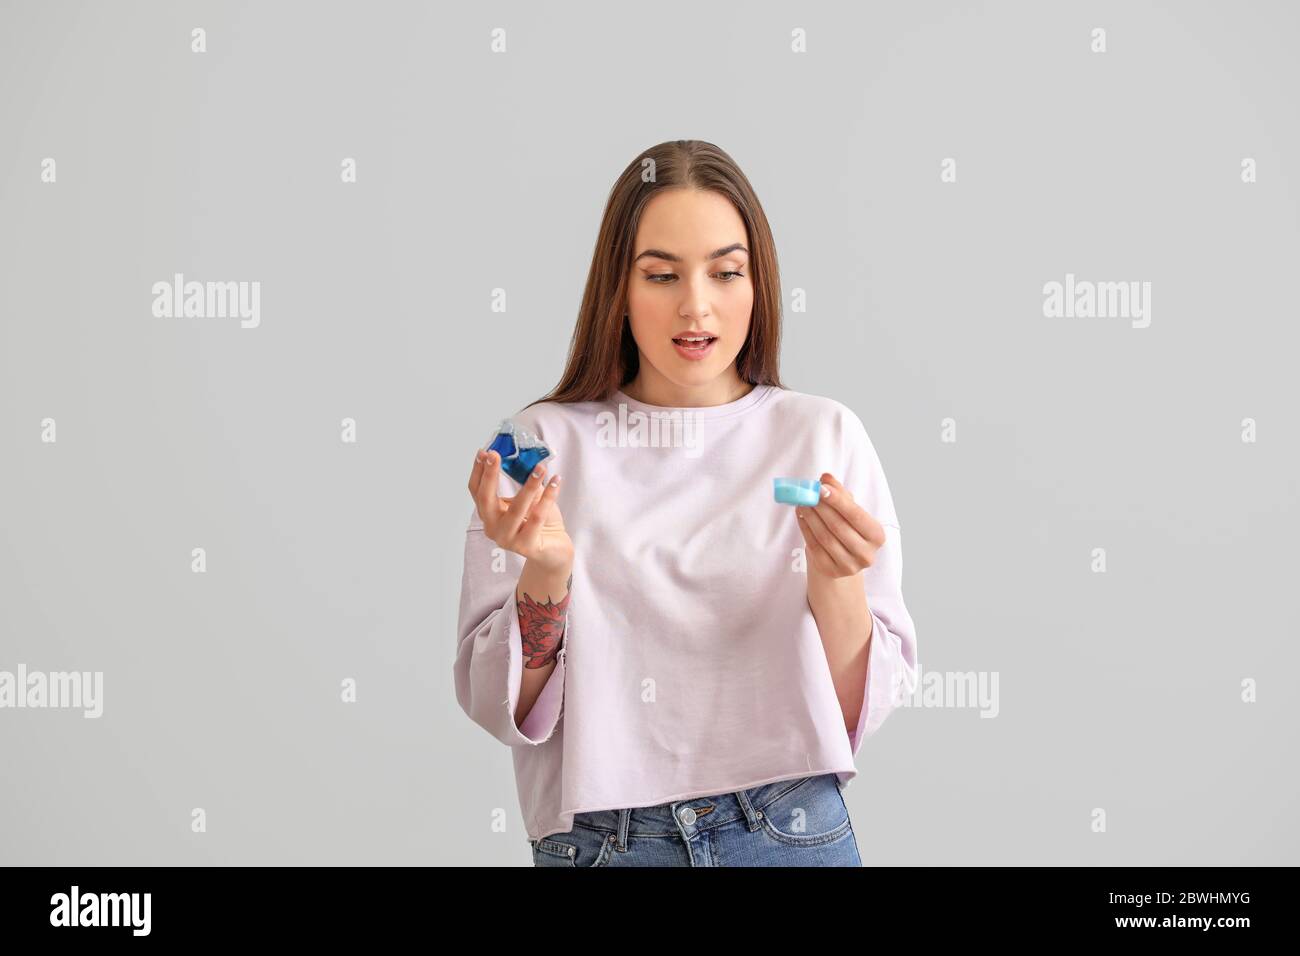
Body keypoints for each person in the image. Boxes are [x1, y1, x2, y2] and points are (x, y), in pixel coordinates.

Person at [455, 140, 919, 867]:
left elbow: (865, 705)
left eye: (726, 272)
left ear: (758, 283)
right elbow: (501, 709)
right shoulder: (538, 446)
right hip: (603, 840)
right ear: (619, 288)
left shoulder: (822, 435)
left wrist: (834, 579)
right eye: (662, 274)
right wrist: (545, 573)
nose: (695, 305)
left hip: (787, 827)